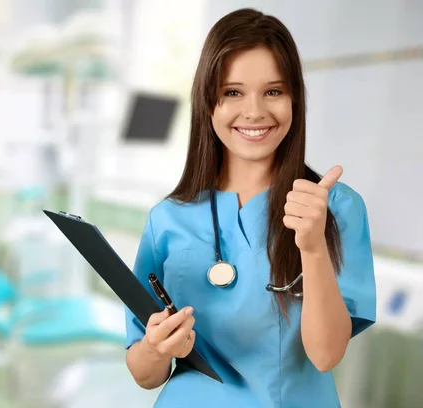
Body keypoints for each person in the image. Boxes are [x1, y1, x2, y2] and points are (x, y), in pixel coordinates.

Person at [124, 8, 376, 408]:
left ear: (295, 99)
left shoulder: (334, 207)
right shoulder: (168, 217)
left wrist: (312, 247)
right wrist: (156, 348)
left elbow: (326, 355)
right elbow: (144, 373)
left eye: (273, 91)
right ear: (209, 103)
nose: (255, 111)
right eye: (233, 92)